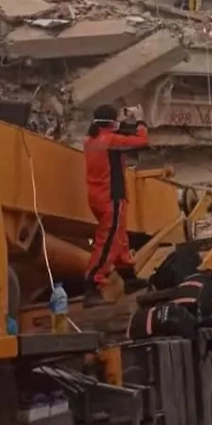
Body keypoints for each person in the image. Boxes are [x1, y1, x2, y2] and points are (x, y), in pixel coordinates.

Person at [83, 104, 150, 306]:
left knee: (120, 239)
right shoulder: (111, 141)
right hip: (111, 198)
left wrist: (119, 121)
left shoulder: (91, 140)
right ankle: (92, 284)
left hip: (98, 196)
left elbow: (112, 136)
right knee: (107, 242)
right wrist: (140, 120)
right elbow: (142, 141)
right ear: (111, 123)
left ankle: (129, 278)